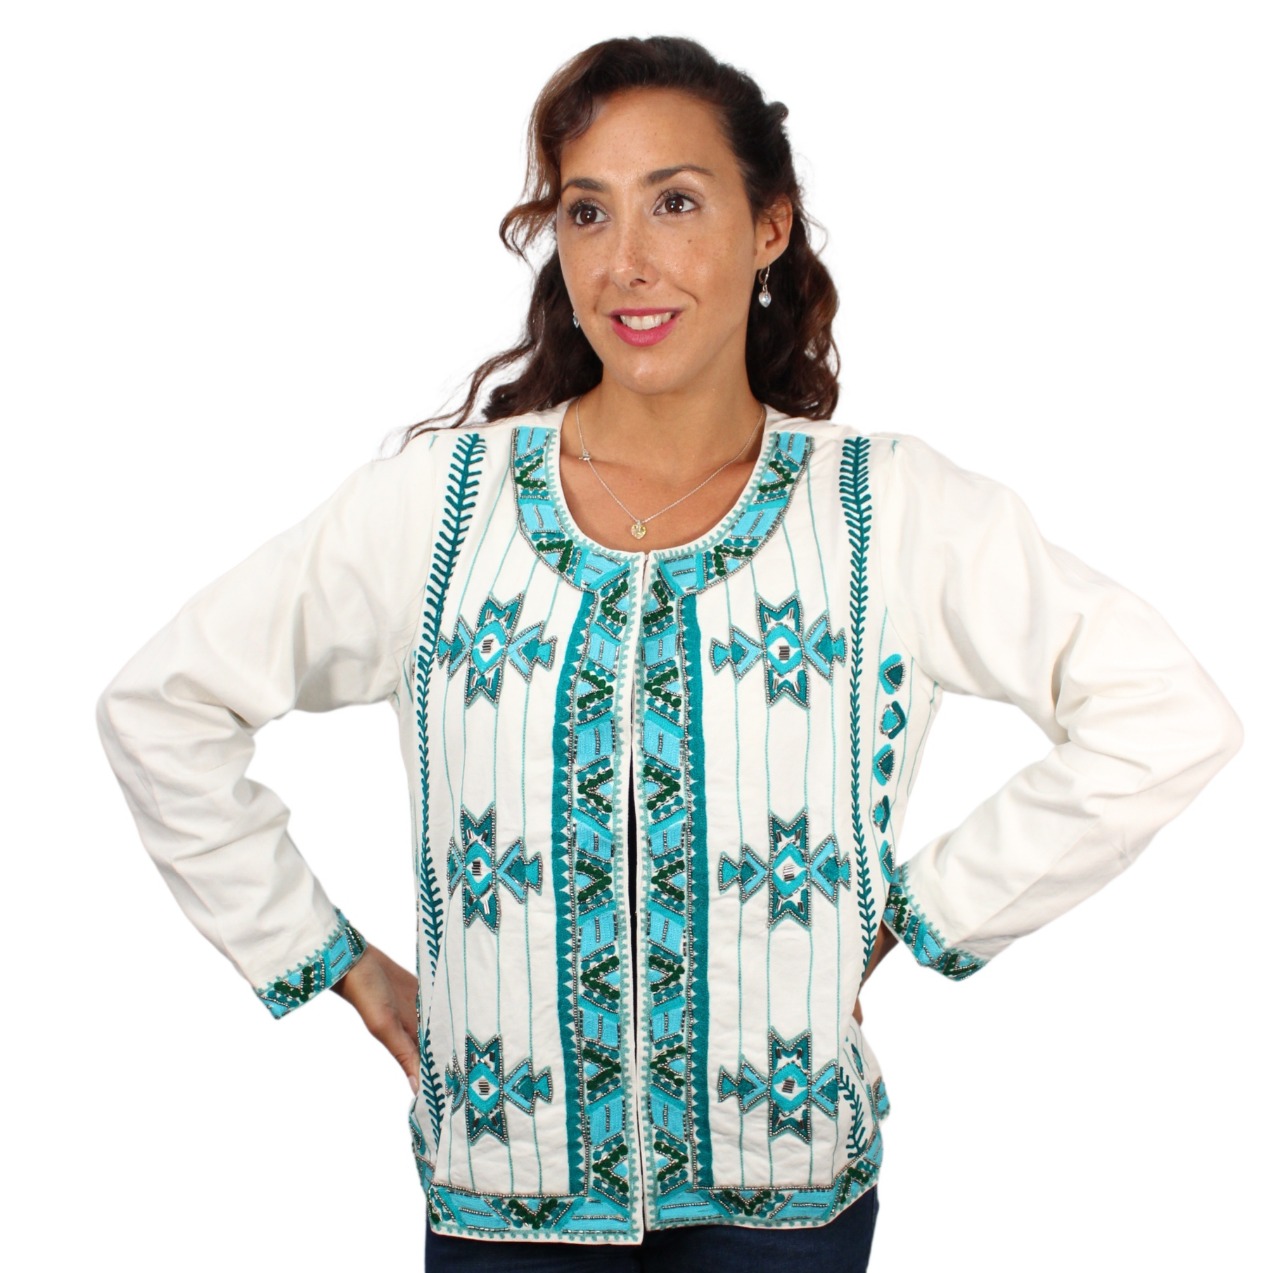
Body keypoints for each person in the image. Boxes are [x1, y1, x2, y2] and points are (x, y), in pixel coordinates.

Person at [96, 35, 1241, 1272]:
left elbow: (1159, 714)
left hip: (781, 1204)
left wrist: (925, 912)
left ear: (768, 228)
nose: (626, 261)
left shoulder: (887, 511)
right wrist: (338, 966)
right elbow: (164, 706)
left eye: (677, 202)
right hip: (505, 1197)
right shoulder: (438, 509)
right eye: (587, 212)